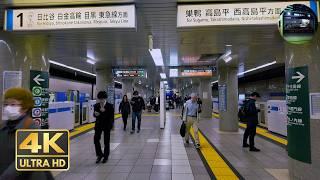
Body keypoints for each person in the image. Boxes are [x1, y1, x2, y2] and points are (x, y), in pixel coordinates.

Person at [0, 88, 54, 179]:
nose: (8, 108)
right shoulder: (3, 127)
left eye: (13, 104)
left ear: (25, 107)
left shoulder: (32, 127)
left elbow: (25, 160)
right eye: (6, 104)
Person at [93, 91, 114, 163]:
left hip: (107, 125)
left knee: (106, 141)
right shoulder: (96, 105)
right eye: (100, 99)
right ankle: (99, 155)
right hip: (98, 125)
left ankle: (106, 156)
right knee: (96, 139)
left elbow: (111, 117)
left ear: (105, 98)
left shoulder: (110, 106)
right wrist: (95, 114)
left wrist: (104, 112)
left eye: (102, 99)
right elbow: (94, 114)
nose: (101, 101)